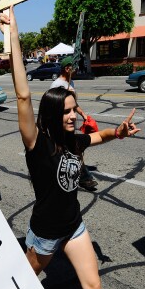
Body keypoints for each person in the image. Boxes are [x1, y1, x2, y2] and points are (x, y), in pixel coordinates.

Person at [0, 7, 145, 289]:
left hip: (74, 226)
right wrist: (14, 36)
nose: (73, 114)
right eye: (67, 110)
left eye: (74, 109)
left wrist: (119, 132)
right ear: (52, 113)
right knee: (23, 284)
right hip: (45, 233)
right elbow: (22, 97)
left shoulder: (74, 141)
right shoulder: (37, 144)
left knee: (93, 288)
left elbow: (98, 136)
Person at [50, 56, 97, 191]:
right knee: (74, 148)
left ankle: (77, 174)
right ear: (67, 68)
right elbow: (54, 106)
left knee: (71, 148)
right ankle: (84, 178)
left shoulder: (71, 83)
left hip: (70, 121)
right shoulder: (57, 85)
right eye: (74, 67)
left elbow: (73, 104)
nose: (76, 70)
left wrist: (83, 114)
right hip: (60, 123)